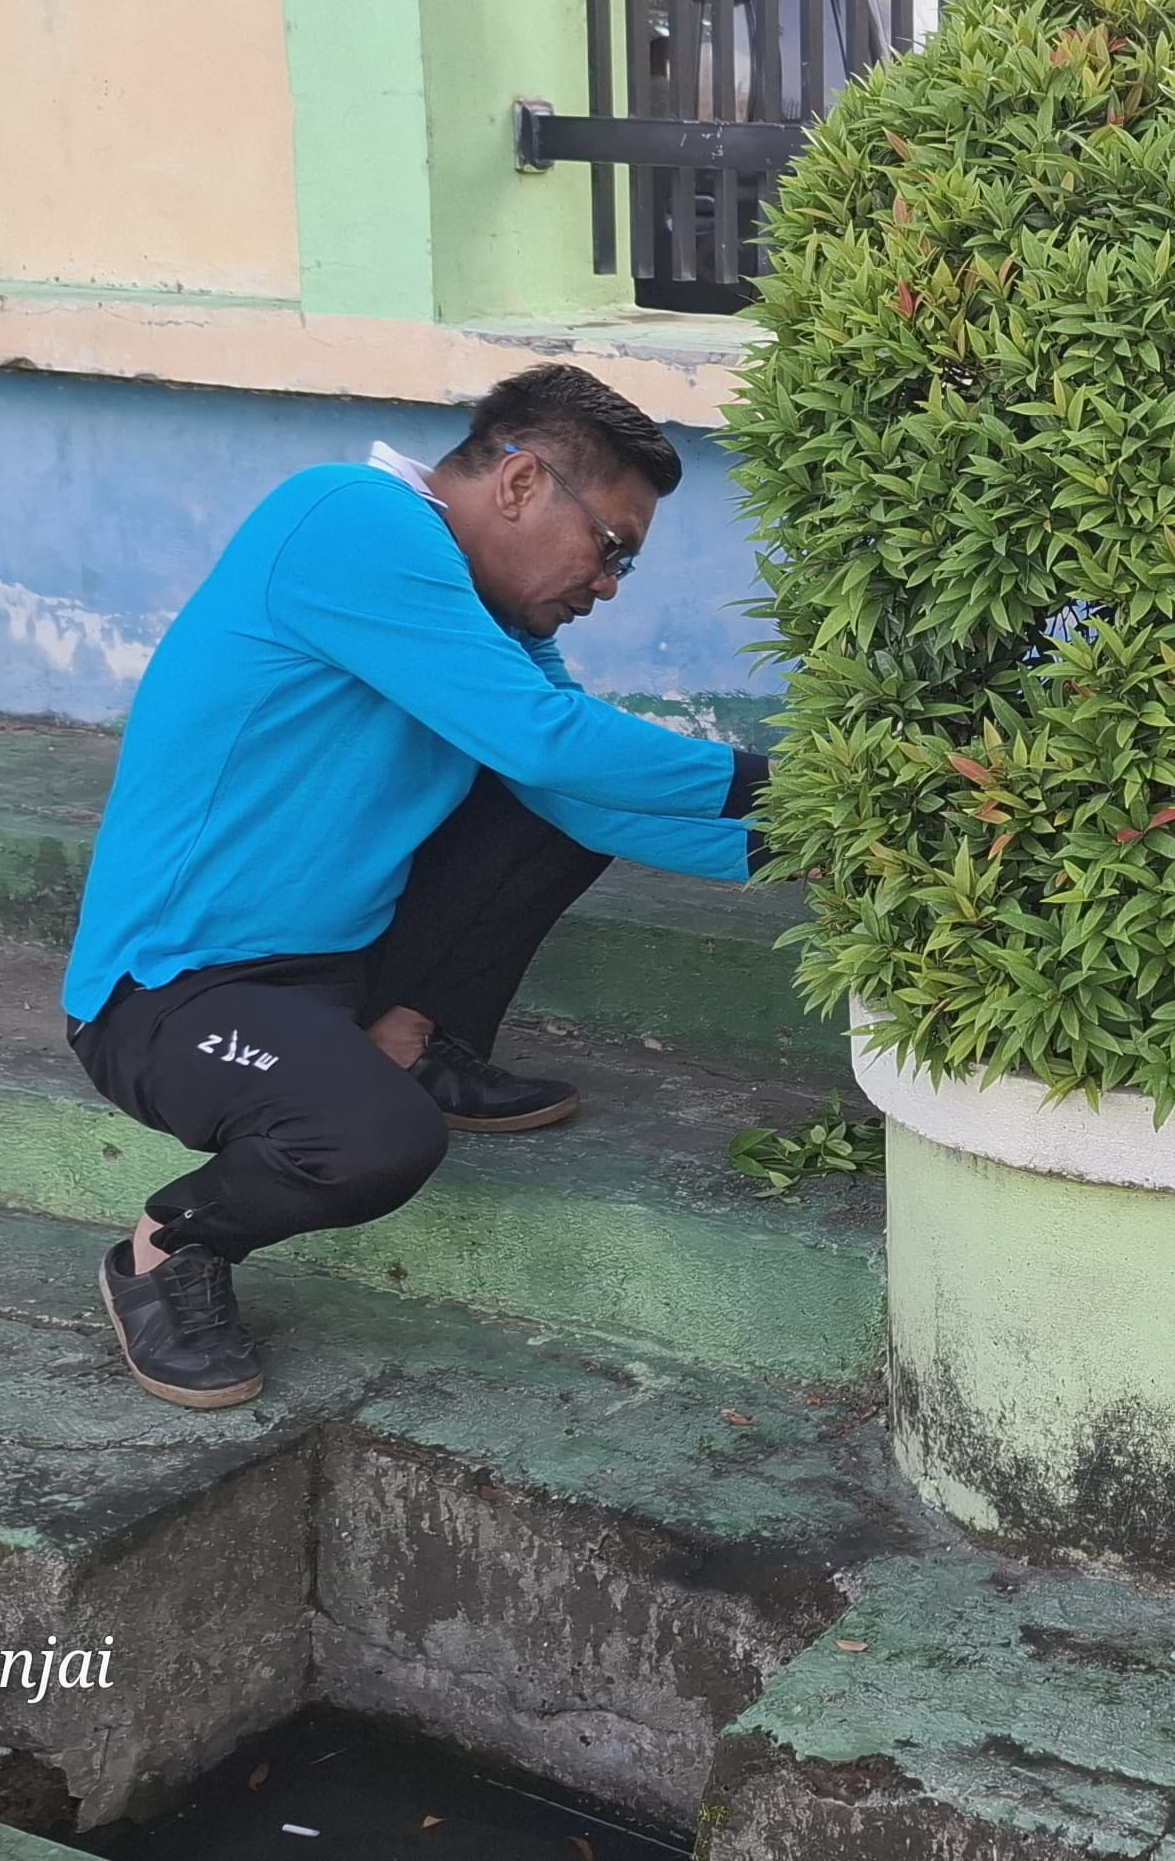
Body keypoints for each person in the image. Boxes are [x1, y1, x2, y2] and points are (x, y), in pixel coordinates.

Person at [59, 365, 766, 1408]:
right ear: (520, 483)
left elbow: (580, 797)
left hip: (341, 965)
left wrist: (817, 839)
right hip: (175, 993)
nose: (611, 583)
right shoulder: (344, 519)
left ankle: (403, 1039)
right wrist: (779, 780)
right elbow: (546, 740)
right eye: (611, 547)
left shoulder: (505, 626)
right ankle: (169, 1250)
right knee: (373, 1143)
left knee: (540, 798)